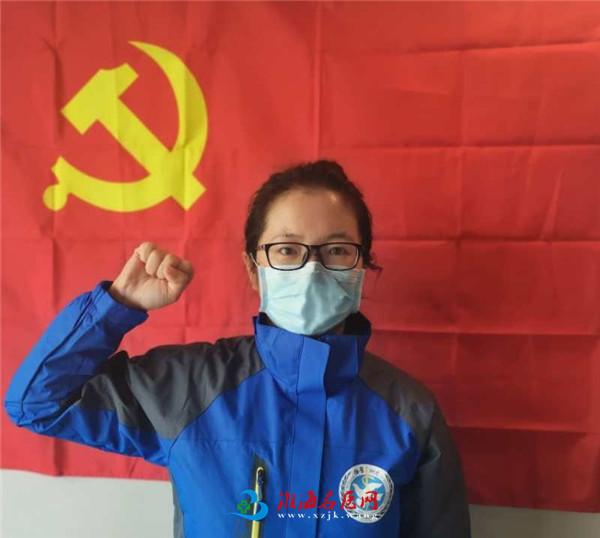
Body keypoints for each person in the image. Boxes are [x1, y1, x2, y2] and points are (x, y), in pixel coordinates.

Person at [4, 159, 471, 537]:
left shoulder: (408, 411)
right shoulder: (188, 388)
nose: (311, 268)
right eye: (286, 249)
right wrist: (117, 307)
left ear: (361, 266)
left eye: (336, 249)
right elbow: (37, 403)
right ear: (253, 268)